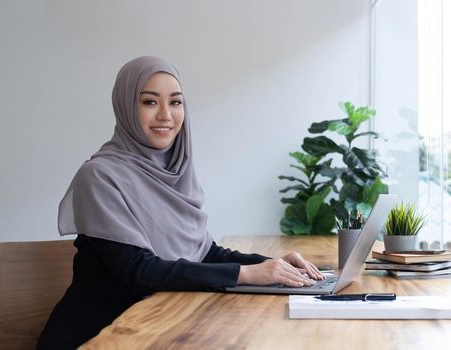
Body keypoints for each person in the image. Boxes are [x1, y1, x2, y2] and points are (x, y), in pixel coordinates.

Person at [37, 56, 325, 349]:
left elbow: (206, 253)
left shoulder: (175, 171)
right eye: (150, 102)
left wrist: (273, 267)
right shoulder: (100, 176)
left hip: (162, 327)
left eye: (175, 102)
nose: (166, 115)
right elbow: (140, 270)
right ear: (125, 106)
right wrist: (247, 274)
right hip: (100, 335)